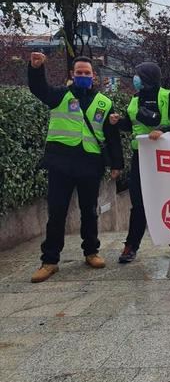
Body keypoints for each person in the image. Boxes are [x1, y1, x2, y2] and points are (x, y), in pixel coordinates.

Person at [27, 52, 123, 283]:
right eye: (79, 72)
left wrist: (117, 165)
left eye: (86, 73)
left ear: (94, 77)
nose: (82, 76)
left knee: (89, 211)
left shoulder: (104, 103)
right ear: (72, 74)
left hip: (90, 163)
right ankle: (50, 261)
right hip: (61, 163)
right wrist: (36, 69)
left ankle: (91, 251)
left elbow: (111, 136)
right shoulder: (60, 95)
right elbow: (39, 89)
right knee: (56, 213)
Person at [110, 62, 170, 263]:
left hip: (162, 158)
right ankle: (131, 246)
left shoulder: (166, 97)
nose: (135, 79)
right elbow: (133, 126)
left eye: (138, 75)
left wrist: (163, 132)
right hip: (141, 157)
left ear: (147, 77)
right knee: (138, 202)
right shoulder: (135, 99)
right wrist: (119, 121)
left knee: (166, 199)